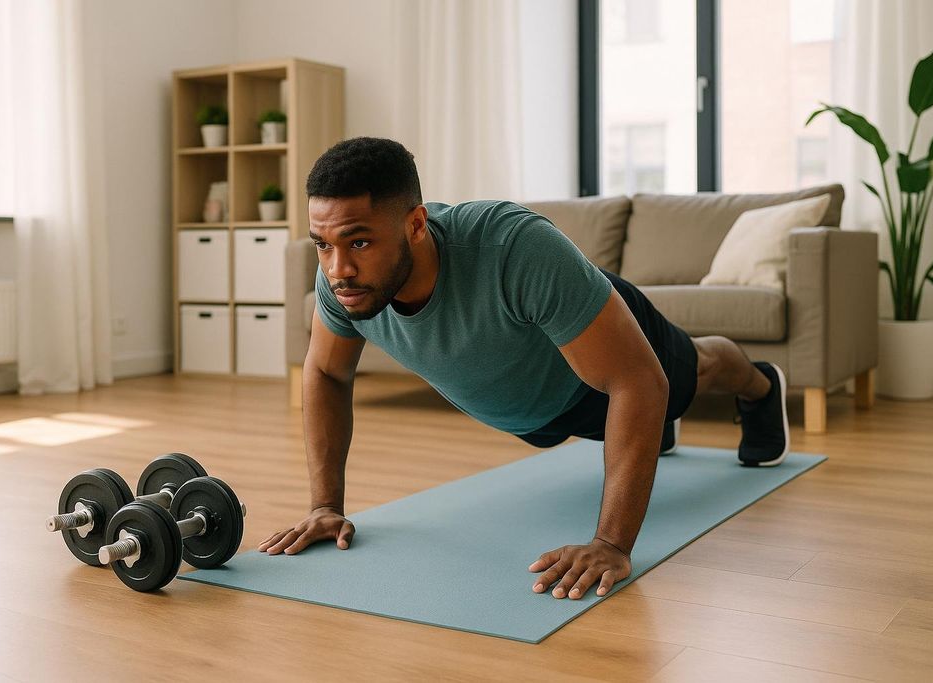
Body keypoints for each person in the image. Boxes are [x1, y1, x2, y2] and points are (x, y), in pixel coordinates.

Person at [258, 137, 790, 601]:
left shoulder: (512, 247)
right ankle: (648, 429)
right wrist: (325, 505)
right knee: (640, 406)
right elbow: (326, 373)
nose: (337, 269)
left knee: (691, 373)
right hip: (540, 413)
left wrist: (609, 545)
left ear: (416, 224)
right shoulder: (341, 283)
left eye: (358, 242)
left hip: (608, 365)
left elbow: (637, 380)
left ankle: (761, 386)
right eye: (322, 245)